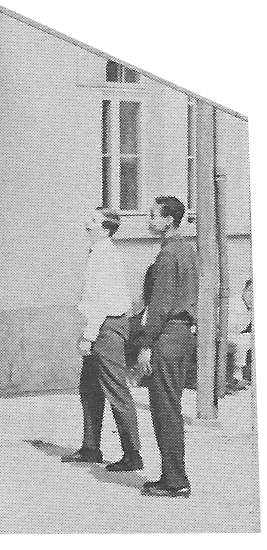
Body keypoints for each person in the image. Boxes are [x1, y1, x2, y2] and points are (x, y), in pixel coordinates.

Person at [61, 208, 143, 471]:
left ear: (106, 229)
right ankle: (91, 447)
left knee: (116, 390)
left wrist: (88, 335)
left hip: (106, 328)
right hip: (103, 326)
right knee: (90, 388)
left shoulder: (104, 256)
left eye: (94, 221)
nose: (87, 223)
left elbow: (102, 301)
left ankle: (132, 454)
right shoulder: (98, 253)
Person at [136, 196, 198, 498]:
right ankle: (173, 475)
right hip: (182, 333)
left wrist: (146, 344)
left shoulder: (168, 253)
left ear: (169, 220)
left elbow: (160, 306)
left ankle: (174, 479)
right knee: (170, 407)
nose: (149, 220)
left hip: (167, 335)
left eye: (153, 215)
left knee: (165, 410)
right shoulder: (187, 249)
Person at [228, 279, 253, 389]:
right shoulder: (234, 302)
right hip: (220, 333)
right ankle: (236, 376)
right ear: (244, 290)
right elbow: (228, 327)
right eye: (249, 291)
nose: (252, 295)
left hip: (234, 334)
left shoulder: (250, 307)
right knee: (244, 340)